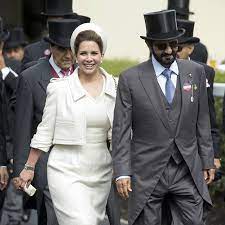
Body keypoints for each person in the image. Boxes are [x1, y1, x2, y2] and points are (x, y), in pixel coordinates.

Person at [112, 10, 215, 225]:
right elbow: (120, 130)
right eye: (161, 46)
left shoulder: (196, 71)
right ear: (149, 45)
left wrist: (207, 160)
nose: (169, 51)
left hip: (186, 168)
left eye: (173, 44)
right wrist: (122, 171)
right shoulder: (130, 78)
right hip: (147, 171)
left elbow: (202, 120)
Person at [15, 22, 117, 225]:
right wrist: (28, 167)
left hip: (100, 170)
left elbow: (121, 133)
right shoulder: (59, 88)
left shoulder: (115, 87)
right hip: (65, 169)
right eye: (83, 53)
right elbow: (44, 130)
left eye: (94, 53)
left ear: (102, 55)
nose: (89, 59)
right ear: (76, 56)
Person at [13, 19, 81, 225]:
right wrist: (21, 170)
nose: (68, 55)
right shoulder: (30, 77)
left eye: (72, 49)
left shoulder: (85, 74)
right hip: (46, 166)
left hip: (81, 165)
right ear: (50, 47)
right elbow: (22, 129)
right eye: (62, 49)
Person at [176, 19, 221, 169]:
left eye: (179, 47)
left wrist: (213, 154)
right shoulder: (151, 72)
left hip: (192, 150)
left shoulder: (204, 72)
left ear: (190, 48)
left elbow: (208, 115)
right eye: (169, 45)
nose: (172, 51)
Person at [22, 0, 90, 69]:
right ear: (47, 23)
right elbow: (26, 78)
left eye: (61, 20)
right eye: (52, 20)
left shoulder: (80, 47)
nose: (57, 24)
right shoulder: (32, 51)